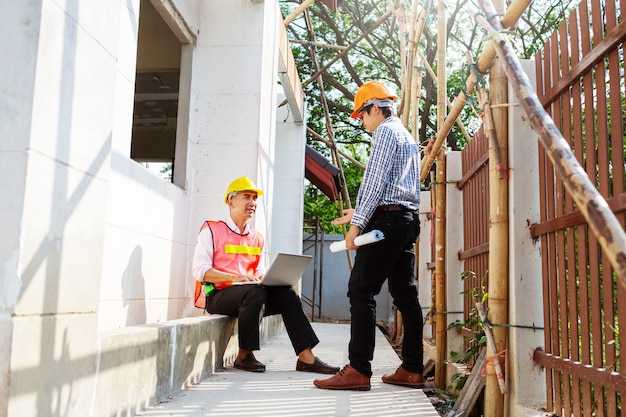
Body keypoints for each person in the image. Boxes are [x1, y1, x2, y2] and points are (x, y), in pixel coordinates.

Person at [313, 81, 424, 391]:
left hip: (386, 223)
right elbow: (395, 190)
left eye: (362, 115)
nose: (362, 123)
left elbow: (375, 183)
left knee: (361, 290)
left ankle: (359, 370)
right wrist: (361, 213)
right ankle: (413, 368)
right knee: (406, 296)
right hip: (404, 220)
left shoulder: (385, 132)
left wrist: (355, 225)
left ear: (376, 109)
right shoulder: (405, 135)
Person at [192, 176, 339, 374]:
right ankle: (244, 355)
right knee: (254, 292)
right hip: (219, 296)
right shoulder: (212, 230)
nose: (252, 203)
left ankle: (306, 358)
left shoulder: (256, 237)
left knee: (287, 294)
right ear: (230, 201)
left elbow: (259, 271)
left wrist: (268, 279)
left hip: (251, 298)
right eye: (246, 197)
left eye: (254, 198)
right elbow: (200, 271)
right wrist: (235, 278)